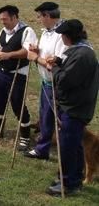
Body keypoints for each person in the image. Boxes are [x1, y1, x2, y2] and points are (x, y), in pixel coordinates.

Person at [40, 19, 98, 196]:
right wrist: (59, 60)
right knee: (75, 145)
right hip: (75, 106)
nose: (62, 39)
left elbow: (65, 80)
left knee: (67, 146)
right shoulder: (80, 51)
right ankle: (73, 178)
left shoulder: (82, 55)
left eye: (63, 35)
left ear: (68, 36)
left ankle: (67, 183)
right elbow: (70, 71)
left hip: (75, 108)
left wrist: (54, 67)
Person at [0, 5, 37, 152]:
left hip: (17, 73)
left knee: (17, 104)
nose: (3, 22)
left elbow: (26, 51)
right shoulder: (3, 31)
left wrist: (8, 55)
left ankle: (25, 137)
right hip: (0, 72)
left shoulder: (27, 31)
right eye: (1, 19)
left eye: (5, 19)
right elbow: (1, 45)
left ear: (14, 17)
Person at [22, 2, 66, 160]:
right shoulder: (46, 32)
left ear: (48, 16)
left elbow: (55, 64)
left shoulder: (62, 34)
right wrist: (36, 51)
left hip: (58, 84)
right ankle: (42, 148)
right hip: (46, 82)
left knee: (60, 119)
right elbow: (44, 55)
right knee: (45, 115)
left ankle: (66, 150)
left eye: (40, 16)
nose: (39, 19)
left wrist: (35, 58)